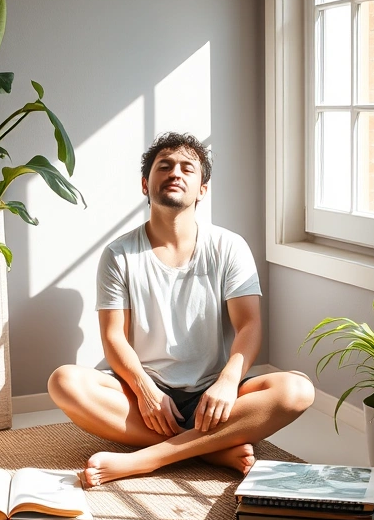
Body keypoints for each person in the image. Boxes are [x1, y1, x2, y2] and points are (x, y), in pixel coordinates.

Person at [48, 132, 315, 487]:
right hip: (142, 392)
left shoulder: (229, 247)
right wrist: (144, 390)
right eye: (165, 166)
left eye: (188, 168)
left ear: (202, 188)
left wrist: (227, 382)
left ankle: (147, 459)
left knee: (298, 391)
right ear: (146, 184)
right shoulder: (118, 254)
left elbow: (249, 325)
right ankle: (209, 450)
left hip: (211, 395)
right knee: (64, 382)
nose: (176, 172)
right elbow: (113, 336)